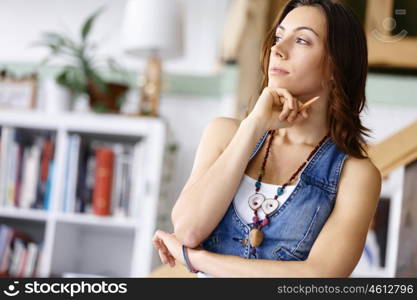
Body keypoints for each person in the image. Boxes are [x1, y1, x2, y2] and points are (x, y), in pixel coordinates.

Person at [153, 0, 382, 278]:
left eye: (301, 40)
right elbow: (188, 229)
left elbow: (318, 278)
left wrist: (196, 259)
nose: (278, 49)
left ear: (336, 65)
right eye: (278, 36)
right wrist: (253, 126)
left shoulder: (356, 175)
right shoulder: (225, 134)